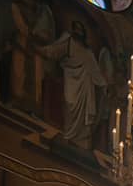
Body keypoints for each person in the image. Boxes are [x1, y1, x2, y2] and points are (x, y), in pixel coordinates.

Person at [38, 20, 107, 149]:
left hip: (85, 88)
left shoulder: (88, 53)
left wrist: (103, 85)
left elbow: (96, 72)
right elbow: (54, 51)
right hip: (71, 81)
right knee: (69, 104)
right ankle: (68, 135)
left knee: (83, 113)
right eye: (76, 29)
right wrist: (41, 50)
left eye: (81, 31)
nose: (78, 33)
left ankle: (81, 142)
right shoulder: (68, 42)